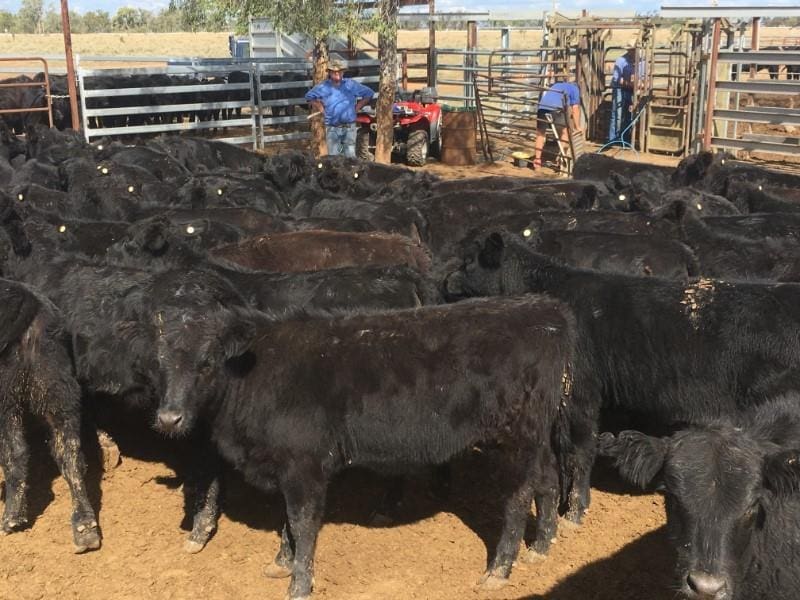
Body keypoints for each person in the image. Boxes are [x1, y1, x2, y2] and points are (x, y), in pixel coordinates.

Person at [305, 59, 375, 158]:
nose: (337, 73)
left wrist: (357, 107)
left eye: (340, 71)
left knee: (350, 157)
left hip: (349, 127)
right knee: (334, 158)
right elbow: (309, 96)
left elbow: (369, 93)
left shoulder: (350, 84)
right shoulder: (324, 87)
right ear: (329, 72)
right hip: (332, 127)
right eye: (334, 71)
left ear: (343, 72)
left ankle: (349, 173)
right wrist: (319, 106)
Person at [532, 76, 582, 170]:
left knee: (540, 135)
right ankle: (561, 158)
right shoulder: (575, 89)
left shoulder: (557, 85)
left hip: (542, 108)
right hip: (556, 108)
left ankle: (537, 160)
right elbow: (575, 109)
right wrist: (577, 127)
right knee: (564, 132)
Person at [607, 40, 636, 145]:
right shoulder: (621, 60)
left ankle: (625, 139)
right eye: (631, 50)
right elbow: (616, 78)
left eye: (634, 50)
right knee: (617, 113)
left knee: (629, 114)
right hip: (620, 88)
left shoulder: (641, 61)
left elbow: (643, 76)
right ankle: (613, 139)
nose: (633, 52)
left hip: (632, 89)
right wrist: (630, 83)